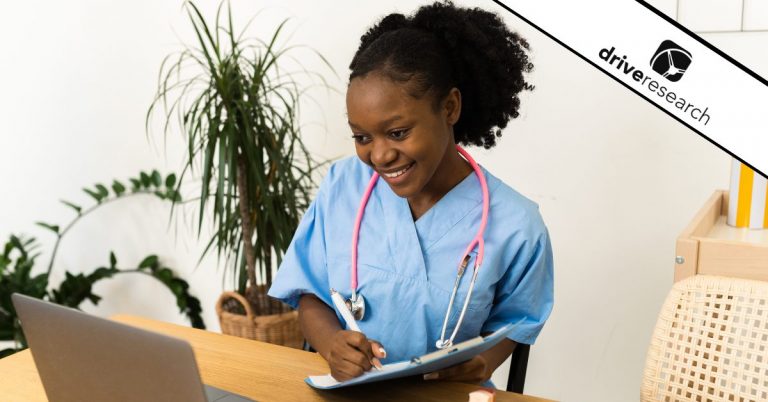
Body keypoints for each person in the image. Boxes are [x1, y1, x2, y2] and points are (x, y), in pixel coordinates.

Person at [268, 1, 553, 386]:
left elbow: (517, 323)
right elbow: (310, 293)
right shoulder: (343, 185)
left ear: (449, 107)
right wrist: (332, 343)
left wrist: (480, 365)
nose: (380, 155)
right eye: (362, 137)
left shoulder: (517, 226)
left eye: (398, 132)